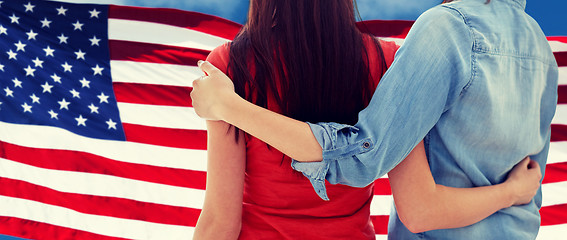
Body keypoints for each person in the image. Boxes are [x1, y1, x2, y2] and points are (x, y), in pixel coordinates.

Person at [191, 0, 549, 239]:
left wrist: (228, 105)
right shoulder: (384, 61)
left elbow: (221, 222)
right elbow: (419, 202)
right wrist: (512, 192)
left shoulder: (231, 68)